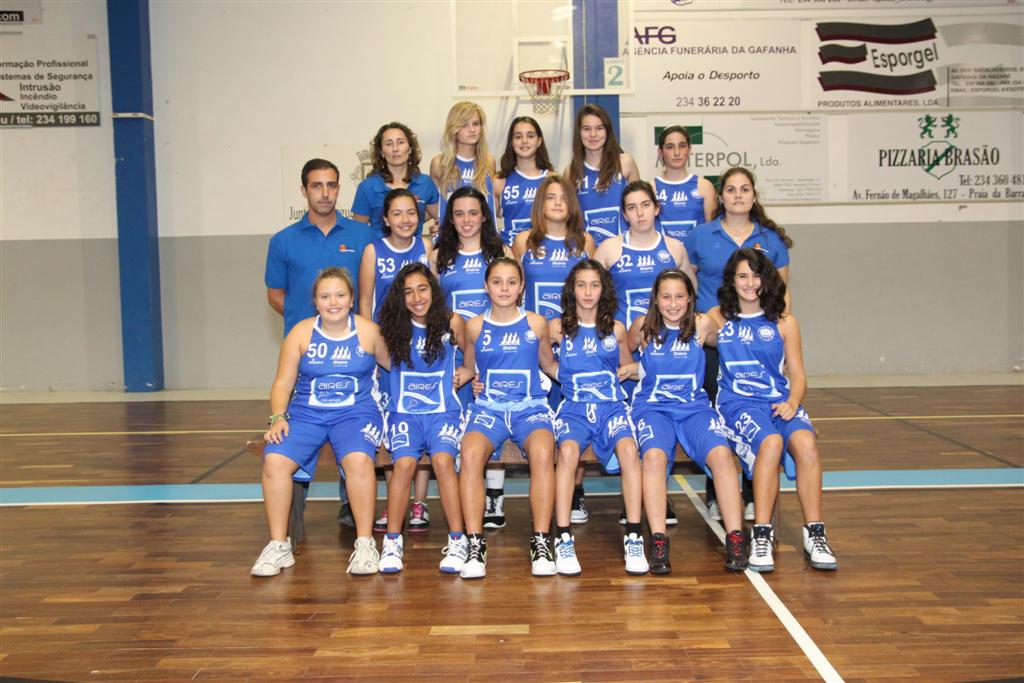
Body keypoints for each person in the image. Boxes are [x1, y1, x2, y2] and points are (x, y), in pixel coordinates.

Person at [251, 267, 387, 577]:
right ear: (315, 301)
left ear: (351, 298)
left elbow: (395, 368)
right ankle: (279, 545)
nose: (333, 302)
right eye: (325, 296)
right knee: (274, 461)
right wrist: (278, 416)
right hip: (307, 413)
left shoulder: (368, 331)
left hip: (356, 412)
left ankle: (365, 544)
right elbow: (283, 383)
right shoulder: (301, 333)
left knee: (358, 461)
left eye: (340, 295)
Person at [713, 249, 837, 573]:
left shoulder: (785, 322)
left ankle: (815, 533)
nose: (750, 283)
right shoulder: (719, 318)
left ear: (766, 280)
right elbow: (685, 327)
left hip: (780, 401)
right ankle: (762, 534)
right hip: (738, 403)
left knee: (806, 444)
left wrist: (793, 402)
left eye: (756, 275)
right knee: (771, 443)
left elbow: (798, 375)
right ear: (732, 280)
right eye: (742, 276)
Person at [264, 158, 371, 529]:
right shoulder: (283, 241)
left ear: (339, 188)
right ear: (304, 190)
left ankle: (349, 506)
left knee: (350, 426)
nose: (325, 193)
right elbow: (275, 295)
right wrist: (311, 328)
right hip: (305, 357)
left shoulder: (362, 235)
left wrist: (344, 328)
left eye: (331, 185)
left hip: (352, 354)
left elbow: (369, 291)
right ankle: (293, 515)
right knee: (297, 427)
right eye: (316, 185)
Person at [685, 167, 793, 524]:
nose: (737, 195)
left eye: (744, 189)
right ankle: (717, 492)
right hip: (717, 339)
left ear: (754, 196)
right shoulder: (701, 236)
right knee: (717, 415)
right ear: (721, 197)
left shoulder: (770, 239)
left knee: (756, 413)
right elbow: (688, 283)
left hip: (757, 341)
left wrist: (777, 334)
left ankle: (750, 492)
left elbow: (783, 294)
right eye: (730, 189)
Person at [628, 269, 748, 574]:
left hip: (694, 408)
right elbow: (620, 351)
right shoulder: (642, 326)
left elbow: (734, 345)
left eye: (679, 296)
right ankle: (658, 540)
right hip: (653, 408)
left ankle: (735, 537)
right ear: (655, 299)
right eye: (666, 296)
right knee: (653, 458)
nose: (673, 304)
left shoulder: (702, 324)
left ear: (690, 298)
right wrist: (629, 369)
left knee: (722, 455)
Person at [596, 179, 697, 527]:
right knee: (629, 429)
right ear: (623, 214)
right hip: (623, 350)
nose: (639, 213)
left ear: (656, 208)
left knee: (656, 427)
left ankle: (655, 495)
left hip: (664, 353)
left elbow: (690, 295)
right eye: (631, 207)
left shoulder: (674, 248)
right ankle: (633, 498)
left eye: (644, 205)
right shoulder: (610, 249)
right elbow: (590, 295)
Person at [457, 257, 559, 579]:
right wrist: (451, 382)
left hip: (530, 407)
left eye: (511, 282)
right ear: (486, 286)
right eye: (497, 282)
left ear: (521, 287)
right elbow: (469, 368)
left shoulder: (536, 324)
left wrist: (586, 380)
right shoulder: (474, 326)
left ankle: (541, 541)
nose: (504, 288)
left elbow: (549, 365)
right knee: (470, 454)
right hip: (489, 408)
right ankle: (475, 544)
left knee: (543, 452)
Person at [549, 260, 647, 575]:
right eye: (581, 285)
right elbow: (542, 360)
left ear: (604, 289)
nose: (588, 292)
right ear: (572, 289)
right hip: (575, 407)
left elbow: (627, 367)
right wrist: (561, 375)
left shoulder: (615, 329)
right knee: (567, 452)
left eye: (594, 285)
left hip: (610, 407)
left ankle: (634, 534)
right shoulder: (558, 327)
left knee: (629, 450)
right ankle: (563, 536)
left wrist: (634, 370)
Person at [375, 263, 472, 574]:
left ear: (433, 290)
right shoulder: (391, 328)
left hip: (443, 411)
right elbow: (385, 363)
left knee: (443, 461)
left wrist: (465, 373)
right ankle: (392, 542)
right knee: (404, 464)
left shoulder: (451, 321)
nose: (416, 298)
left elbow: (472, 356)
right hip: (405, 413)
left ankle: (457, 540)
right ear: (399, 297)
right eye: (408, 292)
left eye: (422, 289)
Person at [513, 174, 595, 523]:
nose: (558, 202)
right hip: (535, 346)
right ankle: (545, 495)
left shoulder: (584, 241)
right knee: (542, 427)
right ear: (540, 204)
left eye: (563, 197)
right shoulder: (524, 241)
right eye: (550, 197)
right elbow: (514, 293)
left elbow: (592, 290)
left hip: (574, 342)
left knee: (575, 417)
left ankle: (575, 492)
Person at [431, 185, 512, 530]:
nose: (466, 220)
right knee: (466, 428)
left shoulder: (500, 251)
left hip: (495, 350)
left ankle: (494, 496)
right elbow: (433, 307)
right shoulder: (439, 255)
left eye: (473, 213)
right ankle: (468, 500)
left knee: (494, 419)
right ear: (450, 218)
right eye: (459, 213)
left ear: (484, 216)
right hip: (456, 354)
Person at [357, 188, 433, 533]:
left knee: (424, 416)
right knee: (395, 426)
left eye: (411, 213)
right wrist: (371, 350)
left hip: (422, 344)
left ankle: (420, 502)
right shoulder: (373, 251)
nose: (405, 219)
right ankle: (393, 503)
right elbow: (365, 303)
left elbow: (434, 297)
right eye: (397, 213)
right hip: (387, 347)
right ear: (385, 219)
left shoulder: (425, 247)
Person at [564, 103, 639, 248]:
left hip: (624, 248)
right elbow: (569, 218)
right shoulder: (571, 172)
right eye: (587, 129)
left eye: (599, 128)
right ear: (579, 133)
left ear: (607, 130)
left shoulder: (625, 163)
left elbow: (639, 207)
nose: (593, 135)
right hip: (588, 250)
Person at [351, 122, 440, 240]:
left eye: (400, 142)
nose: (395, 149)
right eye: (389, 144)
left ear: (410, 148)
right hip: (379, 250)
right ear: (381, 152)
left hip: (416, 251)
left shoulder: (425, 183)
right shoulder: (367, 187)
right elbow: (357, 233)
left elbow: (444, 219)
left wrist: (440, 229)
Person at [430, 101, 495, 226]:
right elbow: (434, 204)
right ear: (453, 128)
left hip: (484, 234)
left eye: (476, 124)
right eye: (464, 125)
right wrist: (439, 224)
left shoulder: (489, 161)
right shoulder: (439, 163)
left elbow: (491, 203)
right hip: (450, 235)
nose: (472, 130)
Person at [493, 116, 555, 246]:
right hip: (510, 251)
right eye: (518, 137)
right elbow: (489, 223)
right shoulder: (499, 181)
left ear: (539, 141)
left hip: (544, 251)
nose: (524, 141)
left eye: (530, 136)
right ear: (512, 142)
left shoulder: (553, 180)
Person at [654, 126, 717, 242]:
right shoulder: (651, 188)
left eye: (682, 146)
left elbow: (713, 232)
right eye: (670, 147)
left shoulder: (704, 187)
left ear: (689, 149)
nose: (677, 152)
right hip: (662, 253)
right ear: (660, 152)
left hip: (696, 253)